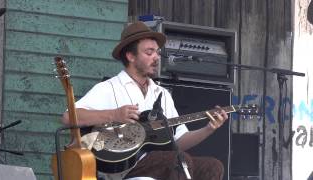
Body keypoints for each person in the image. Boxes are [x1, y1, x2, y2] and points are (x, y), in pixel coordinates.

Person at [62, 21, 228, 180]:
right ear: (130, 56)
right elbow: (69, 117)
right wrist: (114, 114)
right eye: (149, 53)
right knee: (179, 160)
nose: (156, 57)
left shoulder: (161, 93)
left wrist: (208, 128)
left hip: (164, 162)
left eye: (157, 52)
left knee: (213, 166)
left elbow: (178, 141)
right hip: (124, 168)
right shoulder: (110, 87)